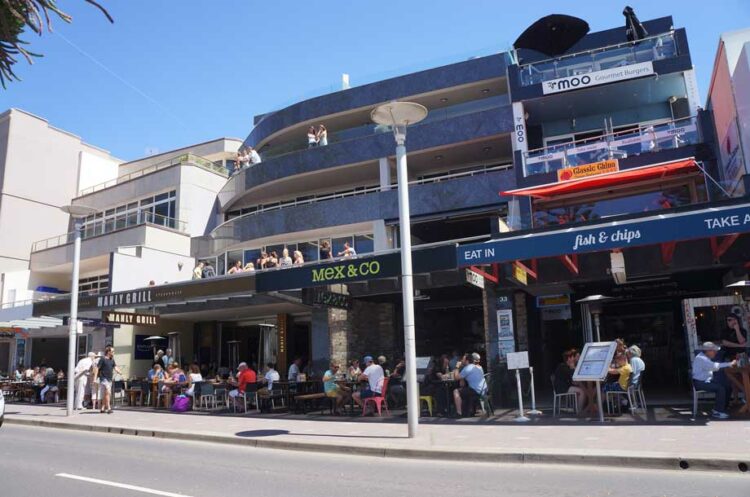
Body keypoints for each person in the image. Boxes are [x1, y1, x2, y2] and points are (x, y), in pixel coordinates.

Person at [692, 342, 737, 419]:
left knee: (727, 386)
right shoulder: (702, 358)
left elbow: (714, 367)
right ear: (708, 351)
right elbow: (715, 366)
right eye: (714, 350)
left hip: (705, 380)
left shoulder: (704, 357)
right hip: (700, 383)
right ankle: (718, 412)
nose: (716, 352)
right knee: (720, 388)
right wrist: (730, 363)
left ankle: (722, 408)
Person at [452, 353, 487, 417]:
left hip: (476, 391)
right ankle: (469, 410)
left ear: (467, 361)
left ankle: (459, 413)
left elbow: (456, 377)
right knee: (464, 390)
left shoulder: (467, 368)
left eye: (463, 359)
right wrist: (462, 378)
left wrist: (457, 367)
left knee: (456, 391)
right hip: (483, 390)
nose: (462, 361)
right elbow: (462, 384)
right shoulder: (477, 367)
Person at [93, 346, 122, 414]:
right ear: (108, 352)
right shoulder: (102, 359)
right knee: (108, 392)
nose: (113, 353)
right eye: (112, 351)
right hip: (103, 378)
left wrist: (119, 371)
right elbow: (97, 368)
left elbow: (115, 366)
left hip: (109, 379)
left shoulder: (112, 359)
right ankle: (109, 408)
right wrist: (94, 379)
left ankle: (102, 408)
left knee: (106, 394)